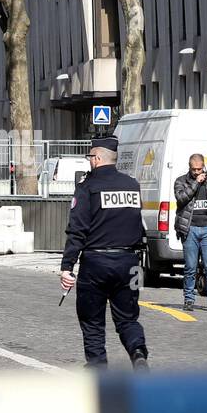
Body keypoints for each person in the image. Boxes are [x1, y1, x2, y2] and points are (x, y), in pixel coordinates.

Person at [60, 136, 149, 369]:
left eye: (90, 157)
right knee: (128, 318)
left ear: (97, 158)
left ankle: (98, 368)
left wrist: (67, 267)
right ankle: (138, 352)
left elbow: (77, 229)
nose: (89, 161)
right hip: (130, 261)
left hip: (96, 262)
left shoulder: (87, 187)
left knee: (92, 321)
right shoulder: (132, 185)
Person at [174, 153, 207, 313]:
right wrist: (196, 183)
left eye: (199, 169)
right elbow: (181, 199)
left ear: (204, 167)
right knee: (190, 267)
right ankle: (189, 299)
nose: (197, 172)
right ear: (189, 168)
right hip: (189, 230)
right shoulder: (181, 181)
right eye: (194, 169)